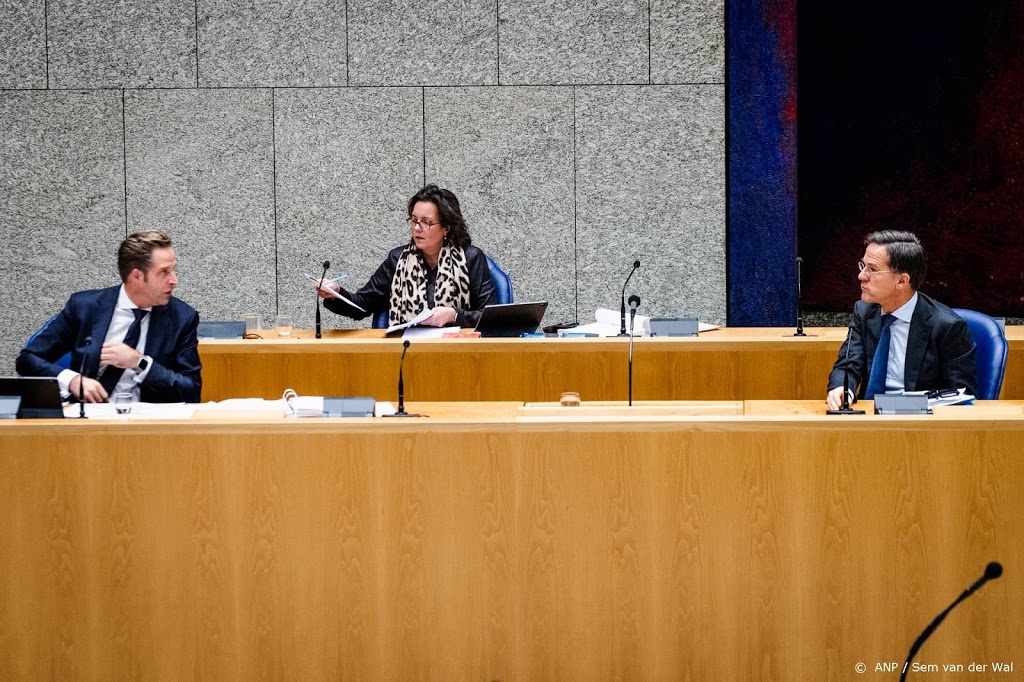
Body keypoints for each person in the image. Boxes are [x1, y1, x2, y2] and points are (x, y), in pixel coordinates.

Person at [17, 230, 202, 403]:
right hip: (88, 421)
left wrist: (140, 363)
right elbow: (28, 359)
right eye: (164, 272)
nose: (174, 280)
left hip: (147, 427)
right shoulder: (85, 307)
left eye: (173, 270)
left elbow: (191, 389)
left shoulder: (182, 318)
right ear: (137, 276)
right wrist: (72, 380)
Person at [826, 230, 976, 410]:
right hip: (869, 418)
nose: (861, 276)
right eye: (862, 266)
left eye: (872, 269)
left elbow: (961, 394)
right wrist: (842, 388)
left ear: (902, 281)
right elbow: (848, 364)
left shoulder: (946, 326)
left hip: (920, 423)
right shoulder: (864, 311)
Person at [317, 185, 496, 328]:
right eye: (414, 220)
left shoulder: (470, 258)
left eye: (426, 222)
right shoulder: (398, 259)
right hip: (407, 351)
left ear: (446, 228)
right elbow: (362, 305)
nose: (417, 228)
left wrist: (454, 315)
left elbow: (491, 316)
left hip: (457, 352)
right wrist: (335, 293)